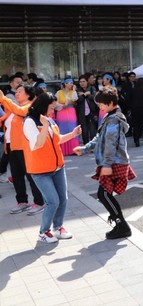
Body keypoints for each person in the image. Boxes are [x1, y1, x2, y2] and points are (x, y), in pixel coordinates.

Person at [74, 87, 135, 240]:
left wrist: (107, 165)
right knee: (104, 194)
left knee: (104, 194)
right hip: (113, 161)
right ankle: (120, 224)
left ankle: (122, 226)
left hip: (114, 162)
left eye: (102, 104)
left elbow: (111, 143)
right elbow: (100, 137)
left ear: (111, 103)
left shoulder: (114, 119)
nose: (100, 107)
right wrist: (85, 148)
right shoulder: (110, 116)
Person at [22, 93, 81, 243]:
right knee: (53, 201)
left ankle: (58, 227)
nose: (53, 111)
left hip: (58, 167)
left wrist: (73, 134)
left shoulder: (49, 119)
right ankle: (43, 232)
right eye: (51, 108)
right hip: (40, 170)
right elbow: (37, 144)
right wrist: (44, 127)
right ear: (43, 106)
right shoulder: (30, 122)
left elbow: (57, 140)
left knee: (63, 199)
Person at [0, 87, 45, 215]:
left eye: (20, 92)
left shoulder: (30, 107)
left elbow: (21, 112)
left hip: (25, 147)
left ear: (28, 95)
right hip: (13, 146)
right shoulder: (13, 108)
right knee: (17, 176)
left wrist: (4, 98)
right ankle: (22, 202)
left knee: (31, 176)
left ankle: (40, 202)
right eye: (16, 92)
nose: (17, 94)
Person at [55, 78, 80, 156]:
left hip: (71, 111)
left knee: (72, 128)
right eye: (70, 83)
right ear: (65, 84)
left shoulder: (73, 92)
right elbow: (55, 102)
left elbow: (74, 99)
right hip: (61, 111)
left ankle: (74, 149)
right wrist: (62, 105)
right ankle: (63, 150)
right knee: (62, 129)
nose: (71, 84)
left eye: (72, 83)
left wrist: (74, 91)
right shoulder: (58, 93)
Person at [128, 78, 143, 147]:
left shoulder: (132, 90)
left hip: (134, 109)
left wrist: (130, 107)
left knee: (135, 125)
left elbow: (129, 99)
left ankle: (136, 139)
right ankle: (138, 136)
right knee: (141, 124)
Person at [75, 75, 98, 144]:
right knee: (84, 131)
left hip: (92, 112)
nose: (82, 83)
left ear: (87, 81)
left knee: (92, 130)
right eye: (80, 82)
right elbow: (78, 100)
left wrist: (88, 95)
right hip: (82, 113)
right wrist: (84, 95)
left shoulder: (92, 88)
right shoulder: (77, 90)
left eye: (83, 81)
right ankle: (86, 145)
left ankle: (93, 145)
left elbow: (95, 98)